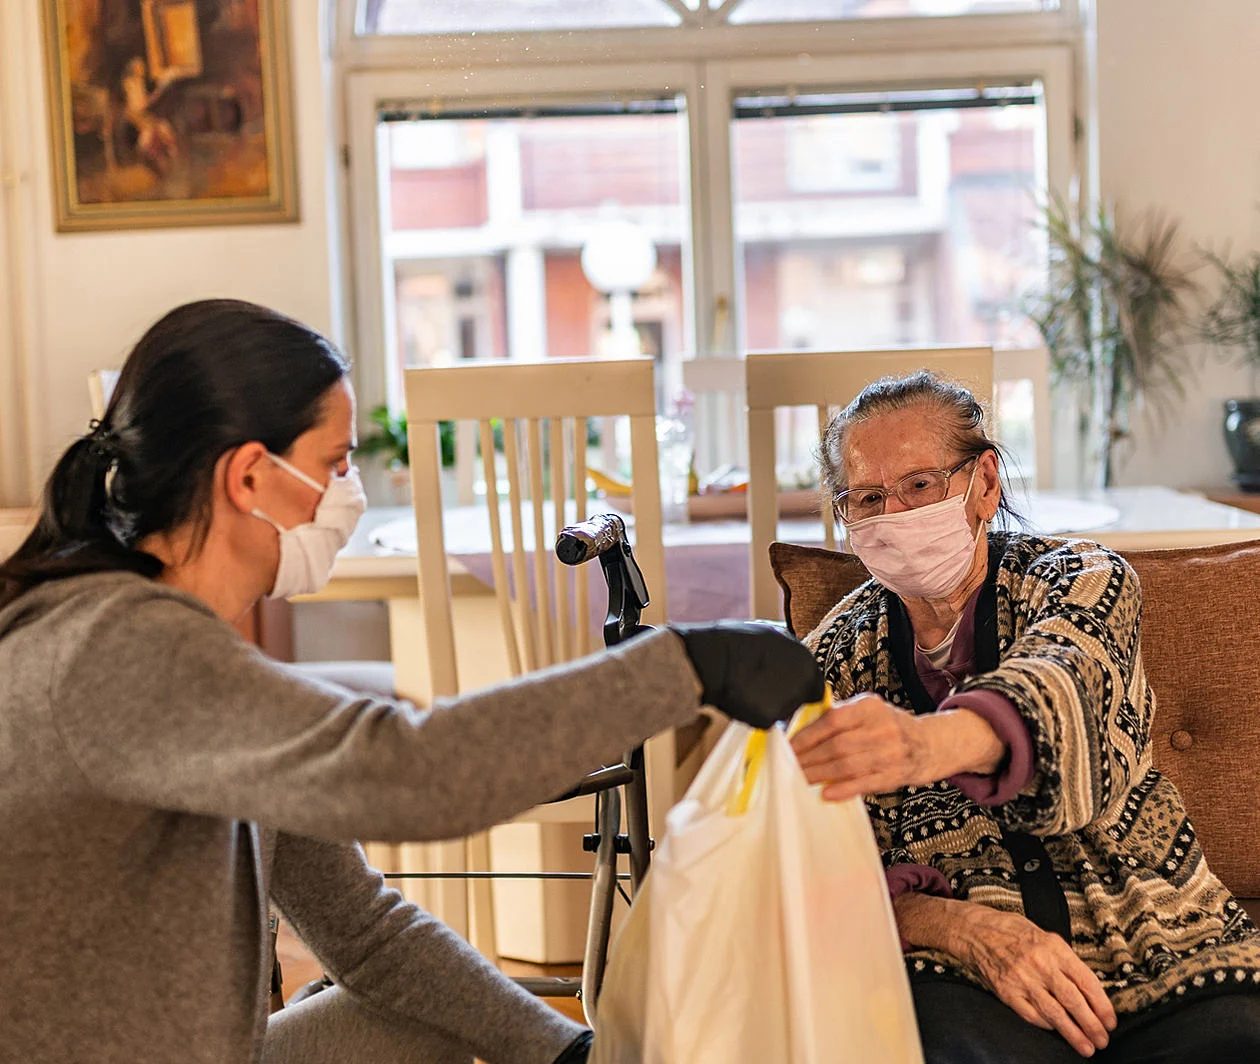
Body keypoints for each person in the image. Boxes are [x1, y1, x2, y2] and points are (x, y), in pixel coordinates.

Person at [0, 299, 823, 1064]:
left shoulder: (191, 661)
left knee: (430, 1008)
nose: (346, 491)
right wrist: (686, 662)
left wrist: (566, 1053)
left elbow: (361, 930)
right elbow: (410, 772)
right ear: (248, 477)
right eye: (335, 461)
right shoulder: (122, 650)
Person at [790, 371, 1260, 1063]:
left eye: (920, 485)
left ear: (984, 483)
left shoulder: (1084, 579)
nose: (892, 514)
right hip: (960, 975)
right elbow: (805, 865)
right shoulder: (832, 656)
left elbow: (1061, 678)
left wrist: (923, 746)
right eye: (866, 497)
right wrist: (947, 923)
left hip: (1163, 948)